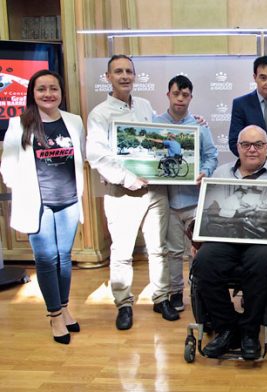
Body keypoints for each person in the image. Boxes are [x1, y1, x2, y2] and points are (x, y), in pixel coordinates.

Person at [192, 125, 267, 360]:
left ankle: (249, 331)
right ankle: (227, 328)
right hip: (226, 237)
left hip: (263, 242)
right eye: (246, 144)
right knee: (204, 262)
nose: (252, 150)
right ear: (238, 147)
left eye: (258, 145)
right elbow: (207, 211)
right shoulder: (221, 173)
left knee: (262, 261)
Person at [86, 54, 179, 330]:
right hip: (122, 192)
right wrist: (128, 178)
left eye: (129, 71)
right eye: (118, 71)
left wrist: (192, 123)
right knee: (123, 251)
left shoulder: (145, 105)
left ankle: (161, 297)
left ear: (135, 76)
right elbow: (98, 156)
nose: (125, 76)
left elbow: (159, 137)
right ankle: (124, 304)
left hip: (154, 190)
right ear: (108, 77)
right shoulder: (100, 114)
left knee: (158, 248)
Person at [0, 70, 84, 344]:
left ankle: (64, 305)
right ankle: (54, 316)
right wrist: (22, 189)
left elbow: (79, 157)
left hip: (69, 200)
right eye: (41, 89)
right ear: (32, 93)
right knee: (46, 259)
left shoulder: (74, 121)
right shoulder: (19, 124)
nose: (48, 94)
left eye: (53, 89)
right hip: (39, 204)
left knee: (64, 258)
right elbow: (8, 166)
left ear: (61, 92)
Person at [153, 75, 218, 312]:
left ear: (191, 96)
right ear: (168, 94)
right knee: (172, 252)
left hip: (195, 199)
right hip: (166, 200)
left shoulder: (200, 125)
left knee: (198, 251)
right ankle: (175, 292)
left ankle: (198, 289)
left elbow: (211, 155)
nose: (180, 98)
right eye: (176, 94)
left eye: (185, 95)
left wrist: (205, 170)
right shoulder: (155, 123)